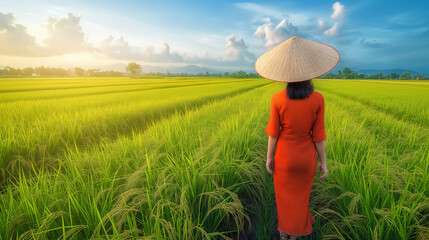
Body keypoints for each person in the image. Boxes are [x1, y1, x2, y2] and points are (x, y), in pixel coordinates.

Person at [254, 36, 340, 239]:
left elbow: (273, 133)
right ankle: (295, 236)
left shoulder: (277, 98)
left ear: (286, 75)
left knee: (284, 199)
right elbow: (319, 136)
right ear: (309, 73)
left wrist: (269, 157)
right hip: (306, 159)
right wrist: (324, 163)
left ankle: (285, 234)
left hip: (284, 158)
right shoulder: (318, 99)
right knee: (301, 199)